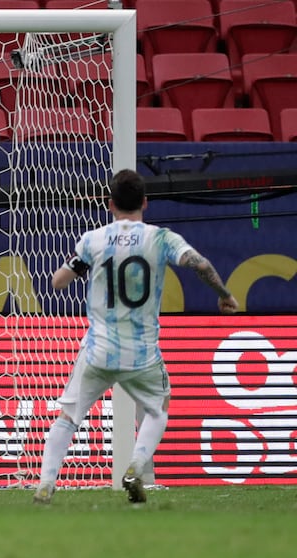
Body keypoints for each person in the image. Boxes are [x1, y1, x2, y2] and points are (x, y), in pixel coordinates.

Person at [33, 169, 238, 505]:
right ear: (145, 202)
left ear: (110, 204)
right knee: (158, 410)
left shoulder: (93, 240)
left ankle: (45, 484)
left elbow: (58, 282)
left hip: (98, 352)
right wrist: (224, 294)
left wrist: (78, 267)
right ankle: (136, 466)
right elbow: (199, 264)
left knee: (69, 417)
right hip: (141, 355)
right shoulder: (161, 238)